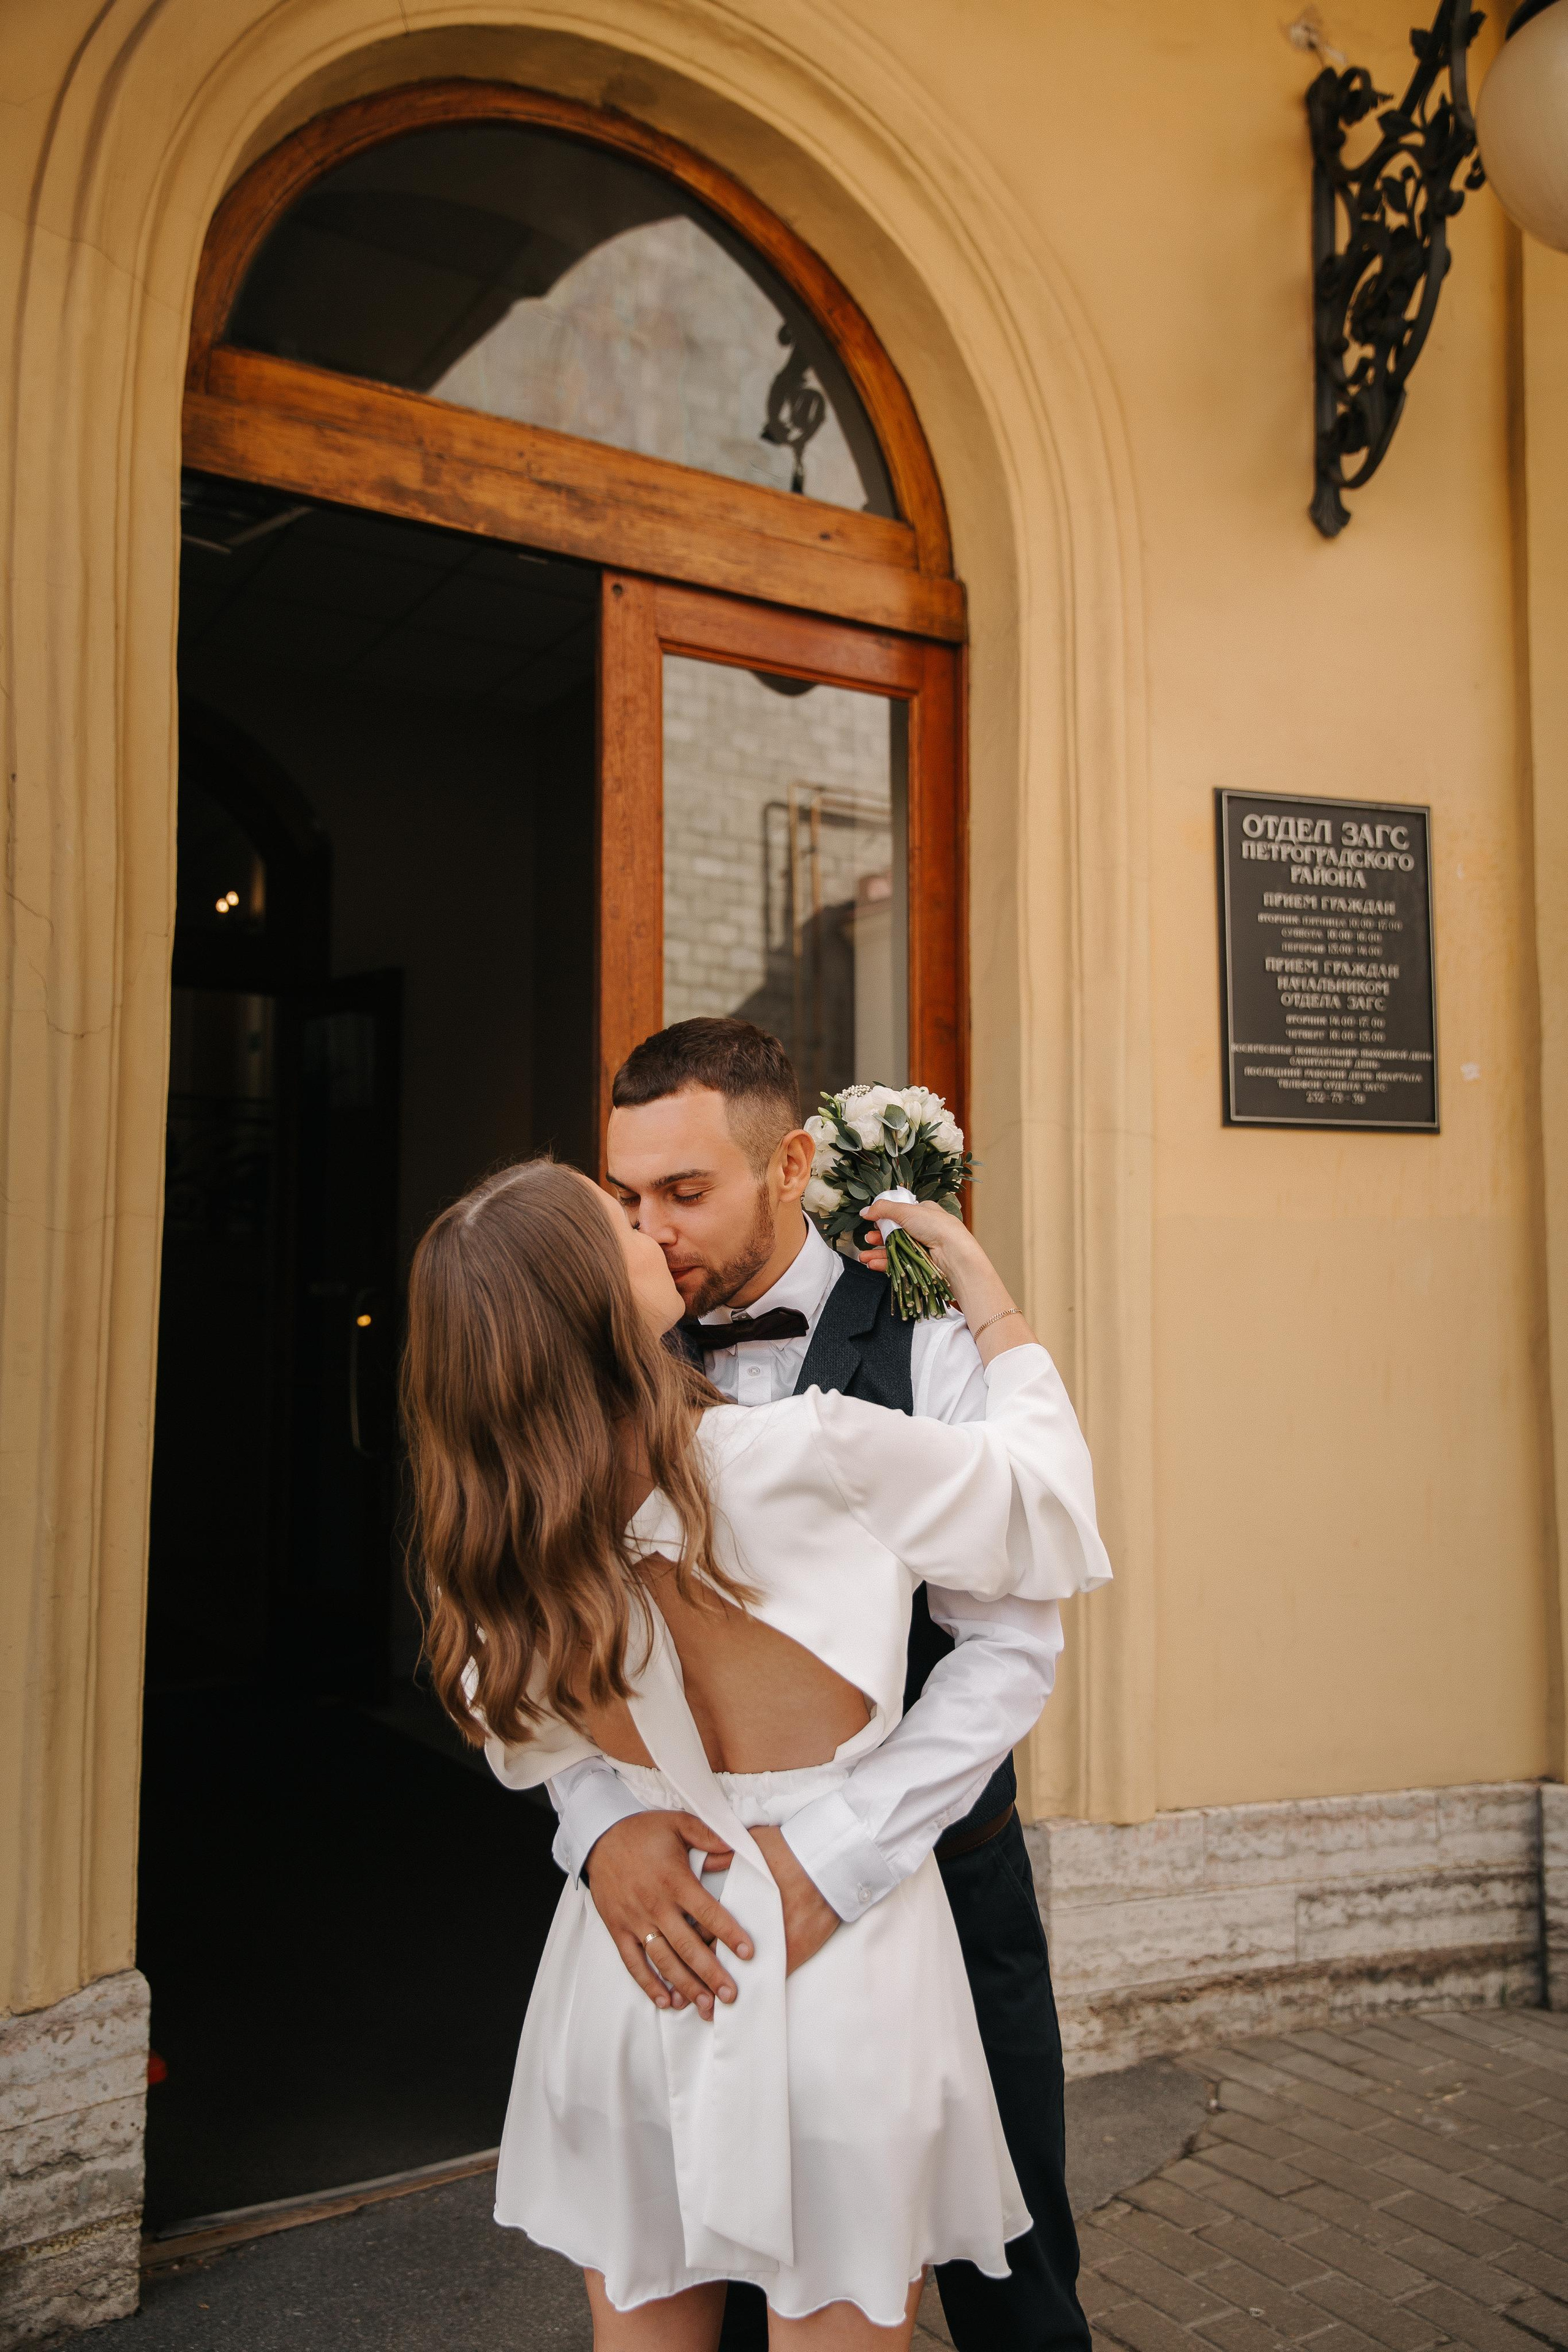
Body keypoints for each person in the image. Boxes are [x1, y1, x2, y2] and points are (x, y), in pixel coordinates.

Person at [402, 1152, 1110, 2349]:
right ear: (592, 1297)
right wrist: (984, 1298)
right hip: (829, 1965)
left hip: (634, 1967)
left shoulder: (492, 1526)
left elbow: (500, 1707)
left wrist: (605, 1818)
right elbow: (1046, 1509)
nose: (650, 1233)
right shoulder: (817, 1450)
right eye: (619, 1222)